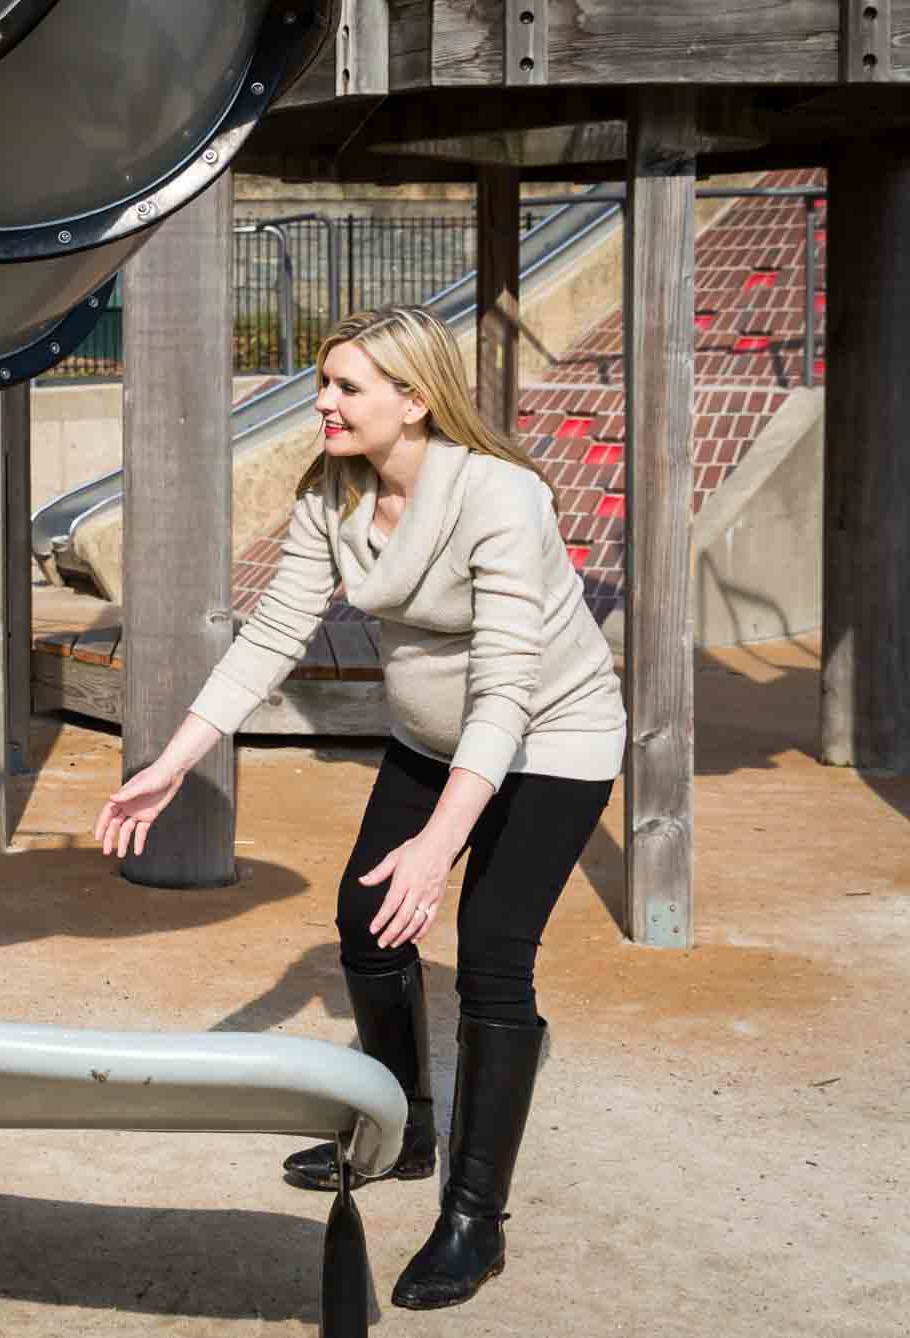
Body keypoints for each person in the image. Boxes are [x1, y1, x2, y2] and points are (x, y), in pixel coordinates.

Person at [93, 305, 625, 1310]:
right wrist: (172, 761)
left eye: (346, 386)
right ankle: (401, 1129)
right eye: (323, 382)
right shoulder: (331, 494)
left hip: (550, 738)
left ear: (415, 401)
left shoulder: (498, 497)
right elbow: (268, 639)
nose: (322, 402)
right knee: (362, 924)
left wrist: (437, 844)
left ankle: (474, 1219)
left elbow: (508, 688)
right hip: (432, 739)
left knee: (493, 950)